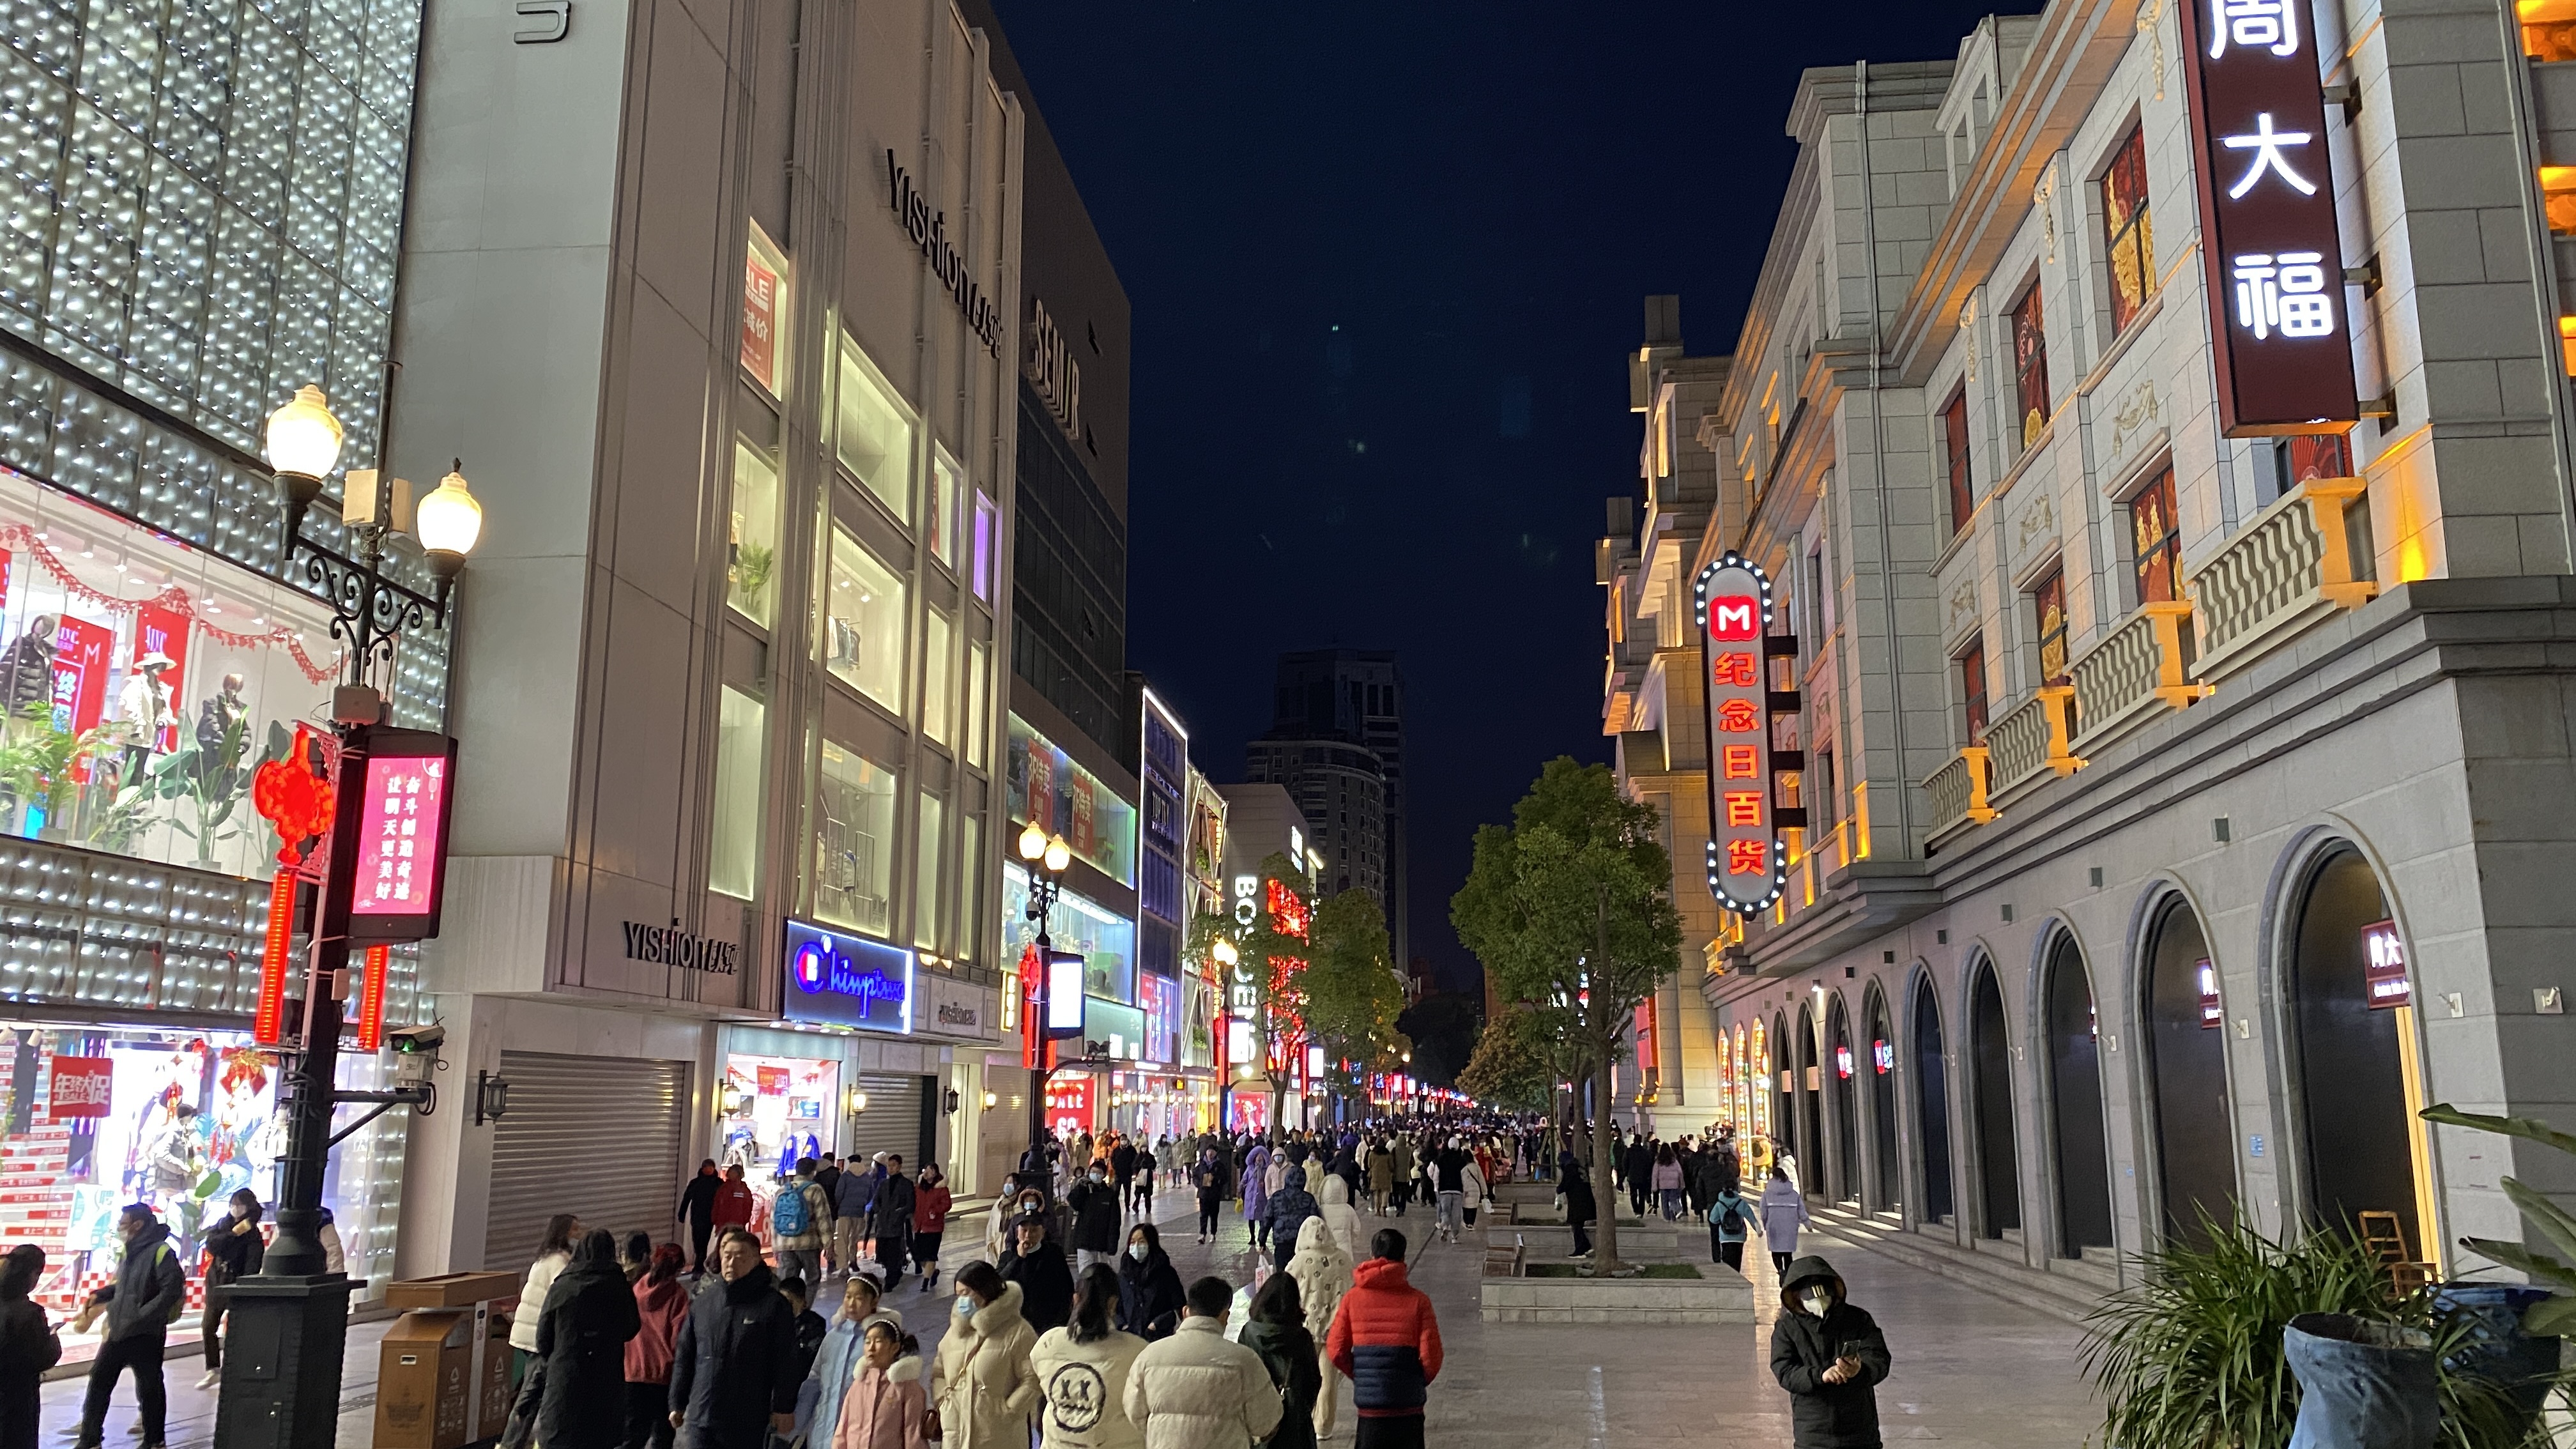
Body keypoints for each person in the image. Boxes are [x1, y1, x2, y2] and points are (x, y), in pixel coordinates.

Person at [668, 1228, 799, 1449]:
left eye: (740, 1257)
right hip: (702, 1414)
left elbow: (786, 1360)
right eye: (727, 1256)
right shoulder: (704, 1302)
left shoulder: (774, 1306)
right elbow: (685, 1355)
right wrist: (677, 1402)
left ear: (756, 1260)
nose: (731, 1263)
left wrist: (783, 1407)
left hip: (746, 1418)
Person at [72, 1204, 187, 1449]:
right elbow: (125, 1287)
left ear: (138, 1225)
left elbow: (171, 1291)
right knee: (99, 1380)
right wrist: (103, 1293)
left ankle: (154, 1440)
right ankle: (90, 1439)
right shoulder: (128, 1250)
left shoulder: (161, 1252)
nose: (119, 1227)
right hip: (119, 1329)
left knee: (149, 1387)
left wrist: (142, 1316)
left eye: (123, 1223)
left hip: (146, 1333)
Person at [1123, 1275, 1282, 1449]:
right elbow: (1266, 1421)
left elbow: (1134, 1412)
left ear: (1186, 1312)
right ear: (1225, 1316)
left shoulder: (1149, 1356)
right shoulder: (1244, 1360)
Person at [1324, 1229, 1441, 1449]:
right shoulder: (1419, 1301)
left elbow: (1336, 1350)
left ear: (1372, 1255)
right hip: (1408, 1406)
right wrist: (1415, 1381)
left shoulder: (1352, 1299)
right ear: (1403, 1257)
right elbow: (1431, 1357)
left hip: (1371, 1410)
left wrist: (1363, 1375)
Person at [1770, 1257, 1894, 1449]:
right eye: (1810, 1298)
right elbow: (1785, 1371)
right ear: (1796, 1297)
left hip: (1859, 1428)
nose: (1819, 1304)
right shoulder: (1787, 1328)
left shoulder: (1858, 1319)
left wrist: (1859, 1370)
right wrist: (1820, 1376)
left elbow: (1879, 1357)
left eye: (1824, 1296)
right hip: (1813, 1431)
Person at [536, 1229, 643, 1449]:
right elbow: (631, 1328)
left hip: (565, 1384)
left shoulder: (562, 1286)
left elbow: (543, 1340)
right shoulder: (618, 1287)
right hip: (605, 1383)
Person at [1031, 1264, 1145, 1449]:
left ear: (1075, 1299)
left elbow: (1039, 1391)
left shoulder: (1048, 1344)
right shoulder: (1138, 1351)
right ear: (1113, 1304)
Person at [929, 1262, 1041, 1449]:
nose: (961, 1301)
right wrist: (942, 1400)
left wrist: (1009, 1412)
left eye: (967, 1293)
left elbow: (1033, 1379)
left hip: (998, 1436)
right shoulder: (956, 1331)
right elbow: (939, 1371)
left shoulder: (1018, 1331)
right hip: (956, 1433)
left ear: (985, 1290)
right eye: (958, 1295)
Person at [802, 1275, 903, 1449]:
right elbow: (815, 1378)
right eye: (848, 1296)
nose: (851, 1303)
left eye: (859, 1299)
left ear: (874, 1302)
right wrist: (797, 1421)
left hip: (859, 1433)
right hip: (822, 1430)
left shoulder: (877, 1343)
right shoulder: (833, 1337)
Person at [1284, 1220, 1352, 1443]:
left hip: (1306, 1329)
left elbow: (1285, 1290)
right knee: (1328, 1379)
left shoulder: (1299, 1261)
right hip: (1335, 1329)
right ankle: (1324, 1426)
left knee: (1303, 1377)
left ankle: (1303, 1421)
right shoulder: (1343, 1259)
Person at [1239, 1274, 1322, 1449]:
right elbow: (1313, 1379)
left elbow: (1241, 1376)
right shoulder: (1302, 1336)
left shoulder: (1249, 1332)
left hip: (1260, 1417)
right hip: (1295, 1417)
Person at [194, 1187, 264, 1388]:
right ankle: (213, 1369)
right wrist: (233, 1234)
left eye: (240, 1205)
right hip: (217, 1282)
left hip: (237, 1285)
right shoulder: (223, 1224)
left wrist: (244, 1286)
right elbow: (212, 1245)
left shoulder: (253, 1234)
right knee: (208, 1326)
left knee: (234, 1330)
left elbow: (253, 1262)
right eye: (233, 1204)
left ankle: (233, 1370)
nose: (235, 1208)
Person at [625, 1244, 691, 1449]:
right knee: (662, 1437)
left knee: (631, 1438)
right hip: (662, 1377)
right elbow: (679, 1339)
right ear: (679, 1268)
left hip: (632, 1373)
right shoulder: (678, 1296)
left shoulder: (635, 1290)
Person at [830, 1321, 928, 1449]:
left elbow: (913, 1435)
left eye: (878, 1341)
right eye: (867, 1342)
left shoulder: (907, 1387)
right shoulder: (858, 1384)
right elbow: (842, 1429)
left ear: (895, 1348)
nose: (871, 1348)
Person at [1, 1245, 62, 1449]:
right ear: (31, 1274)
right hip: (17, 1396)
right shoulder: (30, 1313)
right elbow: (42, 1357)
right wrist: (53, 1336)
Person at [510, 1214, 581, 1384]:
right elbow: (564, 1294)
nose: (579, 1234)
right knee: (535, 1386)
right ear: (564, 1233)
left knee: (533, 1382)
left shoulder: (546, 1258)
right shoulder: (558, 1262)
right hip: (537, 1333)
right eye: (575, 1230)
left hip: (531, 1331)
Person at [1000, 1214, 1077, 1333]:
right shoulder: (1008, 1256)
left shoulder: (1054, 1253)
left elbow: (1066, 1288)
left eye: (1034, 1230)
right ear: (1017, 1232)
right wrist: (1019, 1259)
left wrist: (1060, 1322)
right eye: (1024, 1230)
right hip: (1016, 1324)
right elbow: (999, 1283)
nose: (1028, 1235)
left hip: (1048, 1323)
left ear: (1043, 1232)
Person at [1114, 1223, 1185, 1342]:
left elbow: (1179, 1305)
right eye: (1132, 1242)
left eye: (1142, 1242)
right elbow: (1115, 1307)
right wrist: (1122, 1325)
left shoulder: (1166, 1273)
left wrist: (1157, 1324)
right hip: (1129, 1338)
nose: (1136, 1246)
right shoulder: (1124, 1274)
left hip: (1158, 1337)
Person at [777, 1157, 835, 1288]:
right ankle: (806, 1302)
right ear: (813, 1172)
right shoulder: (815, 1189)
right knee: (812, 1280)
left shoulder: (782, 1190)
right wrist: (828, 1245)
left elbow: (774, 1220)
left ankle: (788, 1302)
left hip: (785, 1244)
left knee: (787, 1283)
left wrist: (777, 1246)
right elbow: (823, 1218)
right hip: (808, 1243)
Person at [870, 1154, 916, 1289]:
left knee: (893, 1252)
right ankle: (894, 1271)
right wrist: (879, 1210)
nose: (890, 1168)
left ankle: (891, 1279)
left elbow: (910, 1204)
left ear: (899, 1167)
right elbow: (876, 1200)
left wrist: (899, 1212)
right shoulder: (883, 1184)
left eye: (893, 1165)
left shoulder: (906, 1184)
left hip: (897, 1224)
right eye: (889, 1166)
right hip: (883, 1224)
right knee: (883, 1252)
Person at [1069, 1159, 1123, 1275]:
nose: (1095, 1175)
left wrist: (1112, 1244)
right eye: (1093, 1172)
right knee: (1086, 1274)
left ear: (1104, 1175)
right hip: (1084, 1241)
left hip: (1102, 1243)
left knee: (1102, 1275)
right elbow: (1073, 1202)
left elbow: (1115, 1221)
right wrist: (1081, 1188)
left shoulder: (1109, 1195)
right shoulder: (1084, 1191)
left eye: (1099, 1173)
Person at [1264, 1165, 1320, 1274]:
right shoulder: (1309, 1198)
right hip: (1302, 1244)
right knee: (1301, 1275)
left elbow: (1267, 1219)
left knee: (1283, 1275)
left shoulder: (1277, 1197)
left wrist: (1262, 1241)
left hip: (1282, 1243)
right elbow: (1315, 1221)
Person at [1761, 1165, 1813, 1277]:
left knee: (1776, 1252)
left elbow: (1763, 1211)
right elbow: (1801, 1210)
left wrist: (1765, 1224)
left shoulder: (1767, 1193)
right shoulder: (1793, 1194)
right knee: (1788, 1254)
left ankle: (1780, 1271)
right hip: (1790, 1227)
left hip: (1774, 1226)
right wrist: (1808, 1224)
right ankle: (1788, 1274)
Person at [909, 1165, 951, 1289]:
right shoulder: (918, 1188)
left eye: (930, 1171)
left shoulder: (941, 1189)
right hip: (920, 1226)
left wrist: (935, 1211)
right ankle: (933, 1272)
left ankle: (925, 1282)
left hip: (934, 1228)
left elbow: (947, 1205)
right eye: (925, 1171)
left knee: (930, 1256)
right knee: (918, 1256)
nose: (927, 1173)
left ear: (935, 1173)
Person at [834, 1158, 876, 1279]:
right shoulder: (866, 1177)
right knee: (854, 1238)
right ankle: (853, 1260)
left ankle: (843, 1267)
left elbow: (839, 1193)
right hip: (859, 1211)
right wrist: (862, 1203)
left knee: (842, 1238)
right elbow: (871, 1194)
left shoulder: (845, 1176)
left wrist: (839, 1205)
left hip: (844, 1212)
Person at [781, 1276, 828, 1384]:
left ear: (803, 1302)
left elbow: (809, 1358)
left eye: (790, 1302)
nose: (785, 1307)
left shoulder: (814, 1325)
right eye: (782, 1302)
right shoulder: (775, 1321)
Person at [677, 1160, 722, 1269]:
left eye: (710, 1167)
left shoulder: (718, 1183)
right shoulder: (695, 1183)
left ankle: (700, 1264)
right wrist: (681, 1214)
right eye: (706, 1167)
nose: (708, 1170)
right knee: (697, 1240)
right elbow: (686, 1199)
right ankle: (699, 1263)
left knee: (704, 1240)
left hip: (709, 1217)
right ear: (702, 1169)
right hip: (697, 1216)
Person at [1706, 1181, 1756, 1272]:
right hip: (1739, 1236)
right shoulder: (1742, 1203)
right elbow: (1751, 1217)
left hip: (1725, 1237)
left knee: (1728, 1262)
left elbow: (1713, 1219)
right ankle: (1737, 1275)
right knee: (1737, 1261)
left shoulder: (1719, 1204)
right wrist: (1758, 1230)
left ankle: (1730, 1276)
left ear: (1723, 1190)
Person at [1557, 1150, 1597, 1259]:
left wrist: (1559, 1190)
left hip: (1578, 1201)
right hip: (1586, 1199)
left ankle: (1581, 1249)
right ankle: (1586, 1246)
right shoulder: (1580, 1168)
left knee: (1576, 1224)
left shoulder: (1570, 1169)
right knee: (1577, 1224)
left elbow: (1565, 1183)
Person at [1316, 1172, 1363, 1265]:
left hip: (1326, 1249)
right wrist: (1351, 1240)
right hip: (1345, 1248)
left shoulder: (1321, 1210)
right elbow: (1357, 1228)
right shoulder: (1348, 1209)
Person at [1191, 1147, 1229, 1245]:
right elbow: (1195, 1176)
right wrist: (1199, 1184)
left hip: (1214, 1194)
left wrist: (1217, 1180)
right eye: (1209, 1151)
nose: (1210, 1153)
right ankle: (1202, 1234)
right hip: (1204, 1194)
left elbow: (1225, 1178)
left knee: (1214, 1215)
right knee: (1203, 1215)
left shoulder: (1219, 1165)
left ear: (1215, 1153)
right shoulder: (1201, 1165)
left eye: (1212, 1152)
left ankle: (1213, 1234)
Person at [712, 1165, 756, 1245]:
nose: (730, 1173)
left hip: (737, 1224)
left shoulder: (742, 1190)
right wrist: (715, 1219)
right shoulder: (723, 1188)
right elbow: (717, 1204)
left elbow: (747, 1207)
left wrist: (743, 1220)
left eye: (732, 1172)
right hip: (723, 1224)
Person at [1241, 1141, 1273, 1250]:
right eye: (1257, 1156)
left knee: (1262, 1219)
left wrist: (1264, 1185)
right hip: (1250, 1195)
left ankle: (1262, 1239)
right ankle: (1252, 1237)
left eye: (1261, 1156)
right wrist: (1240, 1188)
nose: (1259, 1159)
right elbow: (1245, 1178)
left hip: (1261, 1196)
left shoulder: (1267, 1170)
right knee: (1251, 1218)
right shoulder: (1250, 1168)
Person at [1653, 1144, 1686, 1220]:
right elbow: (1680, 1173)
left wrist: (1654, 1186)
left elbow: (1655, 1175)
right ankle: (1674, 1215)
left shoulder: (1658, 1162)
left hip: (1663, 1185)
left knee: (1664, 1202)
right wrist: (1682, 1184)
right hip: (1674, 1184)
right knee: (1673, 1200)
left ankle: (1667, 1217)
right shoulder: (1674, 1161)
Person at [1364, 1141, 1393, 1216]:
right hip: (1386, 1175)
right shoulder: (1388, 1154)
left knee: (1376, 1193)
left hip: (1375, 1175)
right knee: (1385, 1192)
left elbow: (1369, 1165)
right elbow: (1391, 1166)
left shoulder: (1372, 1154)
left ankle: (1377, 1210)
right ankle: (1384, 1208)